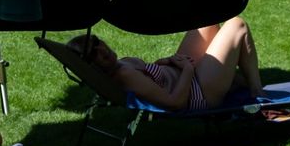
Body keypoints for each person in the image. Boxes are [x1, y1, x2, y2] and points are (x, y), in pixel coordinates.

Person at [72, 17, 262, 112]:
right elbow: (175, 103)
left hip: (184, 74)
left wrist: (166, 63)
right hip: (198, 92)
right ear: (91, 66)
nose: (101, 50)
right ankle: (257, 93)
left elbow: (150, 80)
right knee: (237, 25)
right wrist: (187, 68)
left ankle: (235, 81)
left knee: (208, 22)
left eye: (96, 42)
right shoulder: (124, 76)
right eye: (93, 54)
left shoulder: (122, 65)